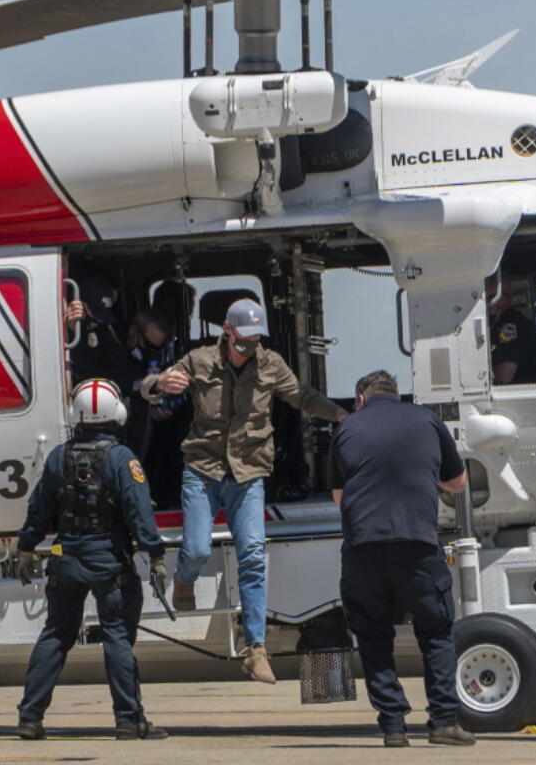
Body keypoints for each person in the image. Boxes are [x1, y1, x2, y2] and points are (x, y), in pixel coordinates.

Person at [141, 298, 346, 684]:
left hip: (249, 473)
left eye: (256, 337)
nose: (250, 343)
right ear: (227, 330)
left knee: (253, 555)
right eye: (244, 336)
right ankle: (184, 579)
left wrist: (338, 414)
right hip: (203, 470)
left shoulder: (270, 365)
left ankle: (256, 649)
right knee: (197, 548)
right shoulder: (199, 360)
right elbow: (148, 387)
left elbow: (302, 396)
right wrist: (158, 384)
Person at [14, 378, 167, 741]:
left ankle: (30, 717)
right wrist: (155, 554)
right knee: (117, 637)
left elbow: (38, 510)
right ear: (116, 413)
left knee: (55, 634)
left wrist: (25, 547)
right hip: (109, 563)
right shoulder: (122, 458)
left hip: (66, 561)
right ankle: (129, 720)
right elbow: (139, 511)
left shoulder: (57, 457)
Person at [328, 370, 475, 747]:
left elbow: (339, 499)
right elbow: (458, 483)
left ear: (361, 398)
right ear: (396, 394)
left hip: (364, 547)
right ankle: (443, 722)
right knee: (436, 632)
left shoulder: (346, 429)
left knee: (374, 635)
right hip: (417, 543)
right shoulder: (426, 419)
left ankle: (393, 727)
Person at [126, 309, 187, 509]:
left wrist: (168, 405)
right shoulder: (118, 353)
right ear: (136, 331)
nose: (151, 350)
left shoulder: (164, 353)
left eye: (156, 347)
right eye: (149, 344)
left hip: (161, 418)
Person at [485, 272, 536, 384]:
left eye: (488, 298)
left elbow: (505, 375)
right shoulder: (503, 324)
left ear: (502, 299)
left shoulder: (510, 325)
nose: (484, 304)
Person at [66, 277, 133, 389]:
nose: (99, 321)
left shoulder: (102, 327)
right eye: (95, 312)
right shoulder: (59, 325)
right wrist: (71, 330)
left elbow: (118, 365)